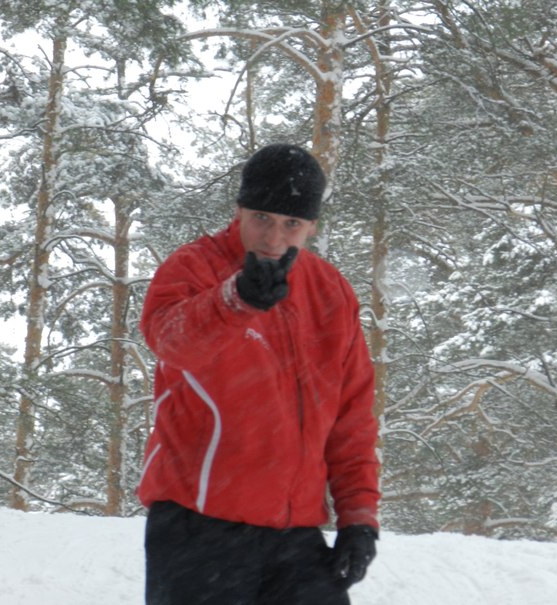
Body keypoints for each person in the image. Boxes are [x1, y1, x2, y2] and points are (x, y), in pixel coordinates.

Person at [137, 143, 381, 605]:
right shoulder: (194, 267)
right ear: (241, 210)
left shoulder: (330, 293)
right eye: (262, 218)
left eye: (291, 224)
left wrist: (358, 519)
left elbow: (351, 419)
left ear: (311, 226)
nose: (274, 239)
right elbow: (170, 340)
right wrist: (236, 301)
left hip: (294, 536)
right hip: (198, 526)